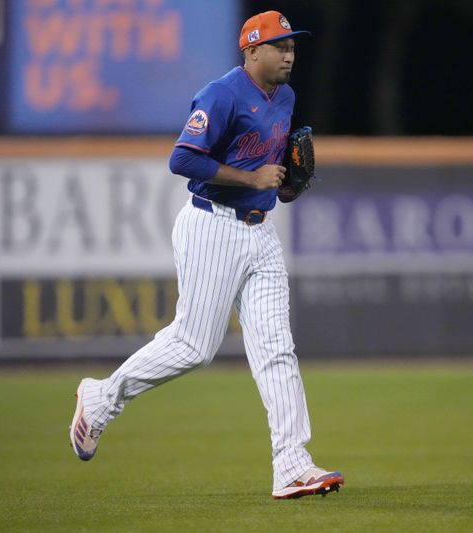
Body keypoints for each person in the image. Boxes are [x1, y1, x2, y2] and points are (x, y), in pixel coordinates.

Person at [68, 10, 344, 500]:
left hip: (262, 233)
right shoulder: (221, 93)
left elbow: (267, 164)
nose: (289, 55)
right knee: (194, 346)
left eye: (293, 47)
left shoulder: (287, 96)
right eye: (280, 46)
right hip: (212, 225)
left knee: (276, 349)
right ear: (252, 51)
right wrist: (251, 179)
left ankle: (292, 465)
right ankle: (102, 396)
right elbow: (183, 159)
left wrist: (278, 185)